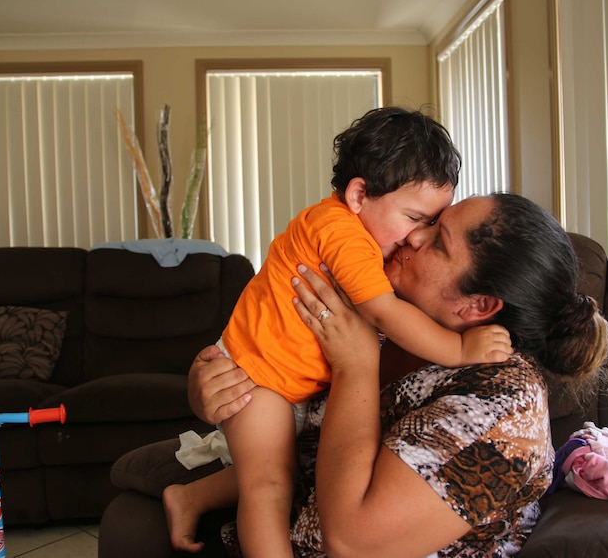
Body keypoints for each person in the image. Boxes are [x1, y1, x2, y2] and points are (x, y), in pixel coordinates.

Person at [181, 192, 608, 557]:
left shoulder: (503, 412)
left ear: (479, 306)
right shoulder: (394, 317)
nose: (414, 234)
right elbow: (284, 400)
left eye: (439, 242)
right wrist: (220, 386)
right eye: (430, 220)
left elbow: (351, 541)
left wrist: (356, 366)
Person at [166, 108, 513, 556]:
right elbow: (384, 313)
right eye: (415, 219)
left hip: (281, 384)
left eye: (434, 230)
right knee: (269, 485)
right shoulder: (343, 236)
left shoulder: (362, 237)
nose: (415, 238)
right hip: (258, 381)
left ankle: (188, 496)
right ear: (359, 194)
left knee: (284, 469)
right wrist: (461, 347)